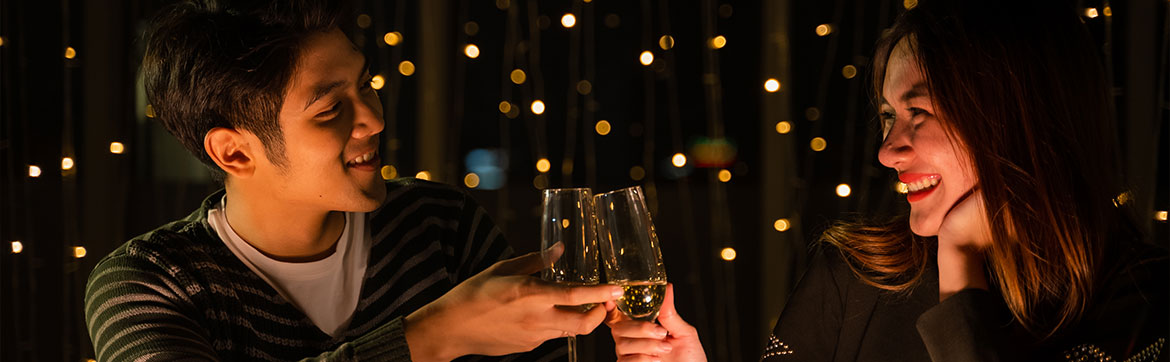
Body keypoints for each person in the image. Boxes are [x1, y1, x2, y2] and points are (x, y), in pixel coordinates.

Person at [609, 1, 1169, 361]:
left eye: (919, 113)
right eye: (886, 116)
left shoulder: (1142, 303)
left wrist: (961, 266)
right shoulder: (856, 275)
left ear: (1020, 115)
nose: (887, 150)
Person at [83, 1, 623, 360]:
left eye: (366, 85)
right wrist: (435, 335)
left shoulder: (439, 227)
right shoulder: (148, 284)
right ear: (235, 152)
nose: (374, 119)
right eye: (329, 109)